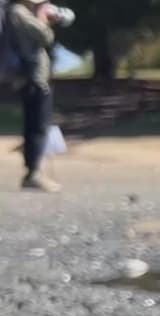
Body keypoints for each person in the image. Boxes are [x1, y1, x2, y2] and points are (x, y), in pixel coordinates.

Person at [7, 0, 60, 192]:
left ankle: (34, 171)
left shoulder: (14, 12)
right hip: (32, 77)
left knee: (35, 125)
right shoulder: (18, 12)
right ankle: (33, 173)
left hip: (28, 76)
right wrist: (44, 19)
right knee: (37, 126)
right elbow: (45, 36)